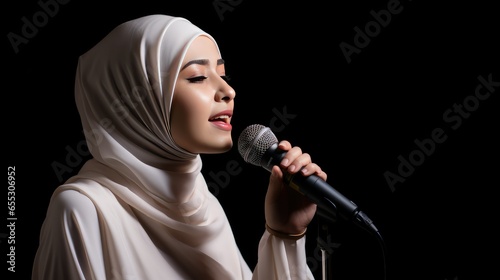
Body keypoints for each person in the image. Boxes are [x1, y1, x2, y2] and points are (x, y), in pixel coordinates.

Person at [32, 14, 327, 280]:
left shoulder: (205, 206)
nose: (228, 91)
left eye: (222, 75)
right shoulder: (84, 210)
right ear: (138, 100)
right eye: (198, 77)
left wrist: (285, 235)